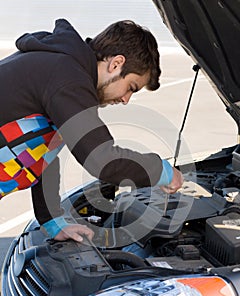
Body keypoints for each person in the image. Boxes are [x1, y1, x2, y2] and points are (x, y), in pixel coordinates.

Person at [0, 19, 183, 243]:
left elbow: (43, 151)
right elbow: (102, 160)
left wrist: (52, 221)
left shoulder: (59, 67)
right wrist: (161, 171)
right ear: (116, 63)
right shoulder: (66, 77)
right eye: (131, 87)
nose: (126, 100)